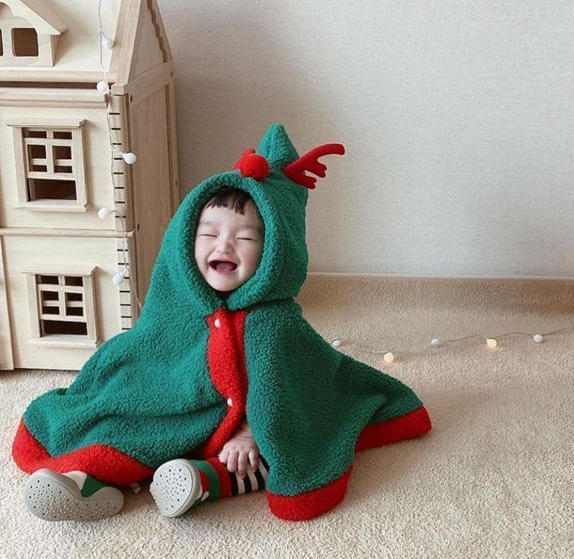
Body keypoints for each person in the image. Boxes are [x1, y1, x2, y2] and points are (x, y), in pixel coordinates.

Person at [13, 123, 432, 522]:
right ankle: (84, 482)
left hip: (237, 428)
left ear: (274, 253)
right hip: (181, 413)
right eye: (209, 234)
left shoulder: (274, 324)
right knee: (123, 426)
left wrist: (249, 430)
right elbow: (150, 356)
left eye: (244, 237)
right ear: (185, 239)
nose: (224, 245)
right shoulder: (178, 305)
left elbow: (282, 390)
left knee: (265, 451)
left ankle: (201, 482)